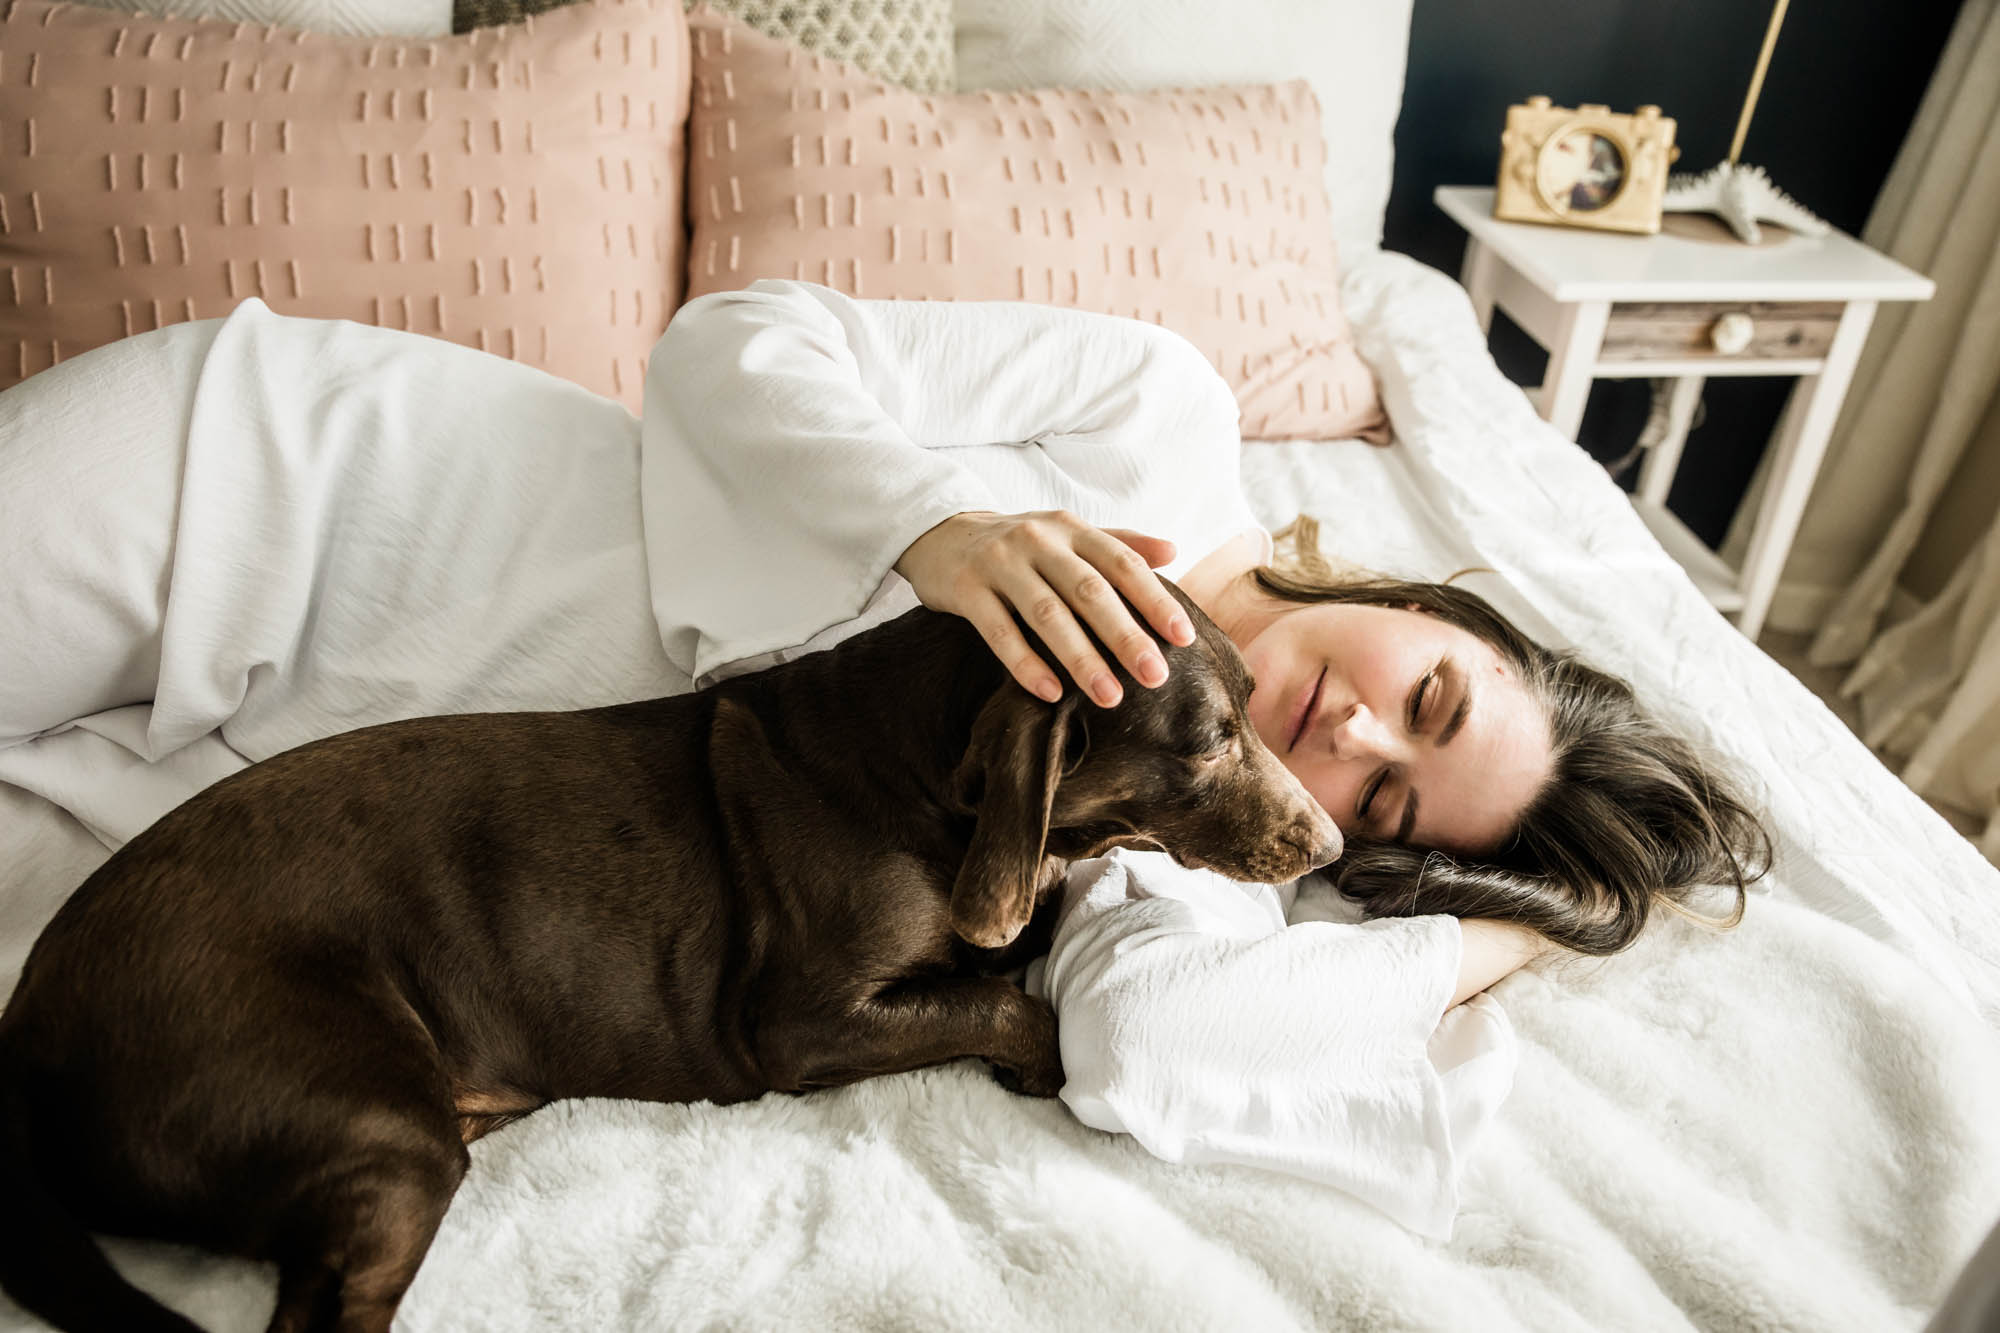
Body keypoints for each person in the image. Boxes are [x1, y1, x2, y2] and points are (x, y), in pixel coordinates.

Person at [0, 278, 1769, 1238]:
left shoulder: (1150, 851)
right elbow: (731, 341)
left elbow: (1147, 1037)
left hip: (240, 804)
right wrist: (940, 528)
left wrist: (1506, 934)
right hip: (297, 487)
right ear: (1410, 597)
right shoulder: (1157, 406)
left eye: (1385, 805)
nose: (1354, 734)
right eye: (1428, 695)